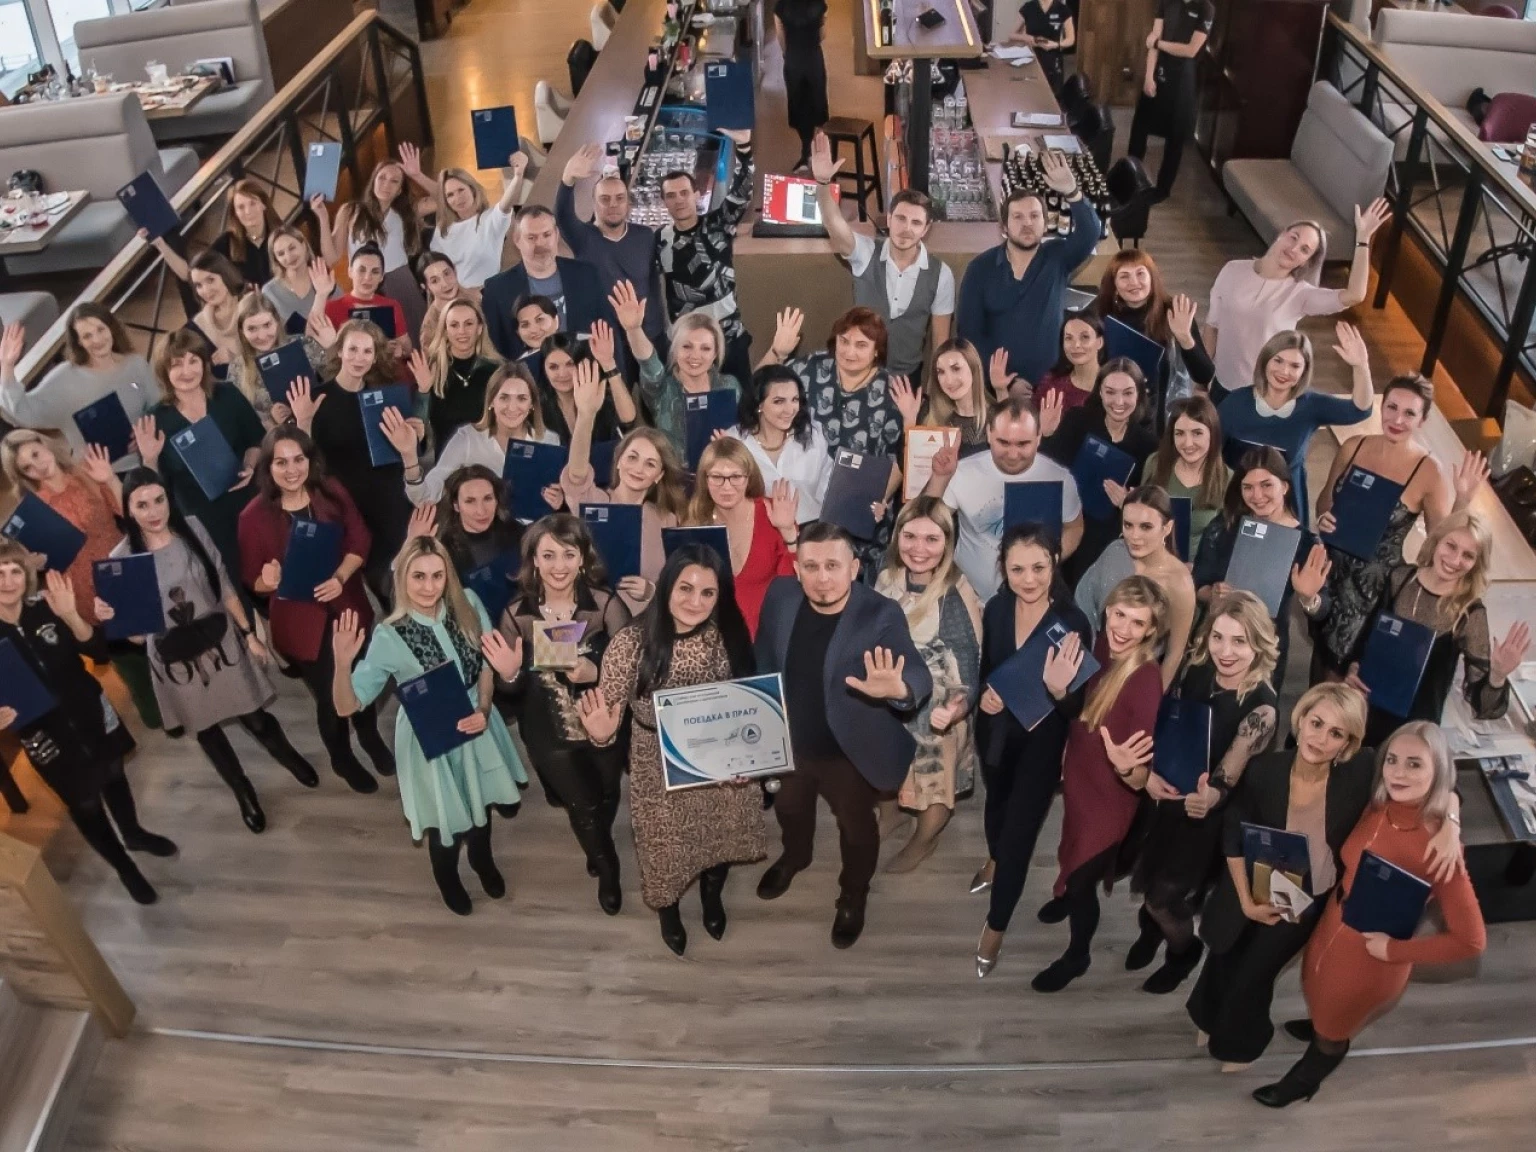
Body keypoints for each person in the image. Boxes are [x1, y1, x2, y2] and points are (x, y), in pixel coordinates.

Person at [1186, 683, 1463, 1069]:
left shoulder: (1361, 770)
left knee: (1253, 975)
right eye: (1316, 724)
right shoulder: (1265, 770)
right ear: (1301, 718)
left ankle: (1239, 1045)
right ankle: (1206, 1016)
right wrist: (1247, 901)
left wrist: (1452, 817)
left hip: (1306, 897)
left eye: (1336, 733)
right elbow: (1233, 833)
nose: (1321, 739)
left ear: (1348, 743)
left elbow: (1432, 778)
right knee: (1222, 954)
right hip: (1251, 883)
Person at [1255, 721, 1485, 1107]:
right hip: (1333, 924)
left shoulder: (1440, 849)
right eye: (1392, 760)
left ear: (1438, 771)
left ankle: (1303, 1082)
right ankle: (1321, 1023)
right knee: (1317, 989)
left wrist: (1394, 951)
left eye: (1414, 764)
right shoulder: (1380, 802)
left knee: (1334, 1028)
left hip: (1370, 958)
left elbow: (1471, 941)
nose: (1398, 772)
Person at [101, 470, 317, 834]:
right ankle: (243, 791)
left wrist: (248, 634)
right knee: (208, 732)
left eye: (159, 500)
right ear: (128, 509)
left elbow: (224, 584)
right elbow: (139, 639)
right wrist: (115, 619)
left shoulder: (192, 528)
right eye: (142, 505)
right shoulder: (122, 560)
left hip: (220, 642)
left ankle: (288, 756)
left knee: (255, 716)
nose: (154, 511)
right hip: (175, 661)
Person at [576, 544, 765, 954]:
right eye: (685, 588)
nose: (695, 602)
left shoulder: (728, 634)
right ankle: (670, 913)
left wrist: (749, 758)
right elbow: (608, 715)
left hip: (718, 755)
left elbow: (745, 703)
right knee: (664, 846)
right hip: (655, 759)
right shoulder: (629, 644)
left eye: (708, 592)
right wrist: (602, 734)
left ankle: (712, 898)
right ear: (665, 587)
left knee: (720, 833)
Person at [753, 521, 934, 948]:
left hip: (849, 750)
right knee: (790, 810)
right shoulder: (780, 596)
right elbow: (763, 659)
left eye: (833, 566)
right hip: (791, 743)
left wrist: (900, 689)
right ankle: (796, 856)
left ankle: (853, 893)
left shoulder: (880, 613)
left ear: (854, 568)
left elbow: (916, 672)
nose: (822, 578)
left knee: (857, 830)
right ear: (797, 568)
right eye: (811, 566)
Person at [332, 536, 529, 915]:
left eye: (437, 576)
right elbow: (348, 706)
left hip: (477, 721)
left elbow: (486, 665)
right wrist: (342, 665)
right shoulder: (389, 635)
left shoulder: (468, 603)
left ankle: (482, 860)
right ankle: (448, 878)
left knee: (481, 804)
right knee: (446, 823)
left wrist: (484, 707)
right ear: (403, 578)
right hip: (430, 737)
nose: (428, 586)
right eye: (418, 576)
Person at [0, 550, 175, 904]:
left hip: (90, 711)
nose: (8, 582)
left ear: (26, 574)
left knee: (114, 774)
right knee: (85, 804)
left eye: (14, 571)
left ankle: (133, 833)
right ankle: (125, 867)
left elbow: (98, 651)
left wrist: (71, 615)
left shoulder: (47, 605)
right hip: (44, 734)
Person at [1129, 591, 1278, 994]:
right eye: (1218, 637)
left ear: (1259, 644)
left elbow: (1229, 771)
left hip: (1210, 817)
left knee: (1164, 897)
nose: (1225, 652)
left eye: (1239, 641)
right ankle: (1151, 931)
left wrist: (1209, 795)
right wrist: (1151, 772)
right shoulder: (1198, 669)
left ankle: (1183, 952)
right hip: (1171, 792)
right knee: (1150, 874)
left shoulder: (1262, 708)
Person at [237, 427, 393, 794]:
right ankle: (341, 756)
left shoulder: (331, 491)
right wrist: (267, 581)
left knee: (363, 675)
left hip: (346, 603)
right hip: (300, 621)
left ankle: (368, 734)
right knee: (329, 694)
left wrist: (340, 577)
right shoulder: (252, 517)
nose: (291, 470)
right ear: (267, 467)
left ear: (311, 460)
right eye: (281, 462)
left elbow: (360, 539)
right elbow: (251, 579)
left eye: (298, 460)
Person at [1033, 575, 1166, 992]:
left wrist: (1127, 768)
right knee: (1070, 843)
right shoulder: (1103, 644)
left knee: (1082, 880)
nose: (1124, 628)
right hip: (1080, 774)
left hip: (1111, 794)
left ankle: (1078, 955)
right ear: (1107, 609)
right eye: (1119, 614)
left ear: (1151, 631)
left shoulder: (1146, 680)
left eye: (1138, 623)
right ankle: (1064, 891)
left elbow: (1139, 770)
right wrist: (1058, 691)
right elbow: (1080, 711)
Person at [972, 524, 1095, 976]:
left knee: (1019, 838)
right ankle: (993, 858)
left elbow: (1076, 707)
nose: (1029, 579)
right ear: (1003, 569)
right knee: (995, 810)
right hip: (995, 732)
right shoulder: (996, 609)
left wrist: (1059, 690)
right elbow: (987, 671)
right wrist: (985, 696)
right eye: (1017, 569)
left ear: (1054, 563)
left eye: (1039, 568)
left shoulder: (1074, 623)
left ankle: (996, 925)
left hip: (1042, 745)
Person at [495, 514, 632, 914]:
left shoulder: (605, 604)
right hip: (547, 727)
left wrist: (596, 670)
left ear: (583, 558)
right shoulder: (517, 613)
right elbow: (511, 691)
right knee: (582, 806)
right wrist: (509, 675)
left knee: (607, 792)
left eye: (568, 554)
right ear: (534, 560)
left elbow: (631, 668)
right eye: (548, 555)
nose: (559, 566)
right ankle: (607, 866)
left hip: (602, 717)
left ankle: (599, 841)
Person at [1312, 373, 1481, 682]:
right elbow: (1325, 501)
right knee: (1320, 660)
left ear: (1422, 420)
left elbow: (1441, 542)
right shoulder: (1353, 447)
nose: (1397, 420)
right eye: (1392, 407)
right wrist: (1324, 517)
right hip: (1331, 575)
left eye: (1409, 413)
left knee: (1339, 677)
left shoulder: (1428, 472)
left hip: (1372, 592)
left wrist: (1463, 500)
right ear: (1382, 406)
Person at [1335, 510, 1528, 748]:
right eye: (1451, 546)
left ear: (1476, 563)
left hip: (1414, 733)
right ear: (1437, 540)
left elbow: (1484, 707)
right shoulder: (1399, 578)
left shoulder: (1470, 614)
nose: (1455, 560)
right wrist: (1353, 668)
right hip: (1365, 713)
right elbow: (1364, 640)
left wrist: (1497, 675)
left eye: (1468, 555)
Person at [873, 497, 983, 871]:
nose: (919, 549)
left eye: (931, 539)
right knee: (883, 767)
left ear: (947, 543)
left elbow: (968, 665)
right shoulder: (886, 576)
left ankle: (924, 839)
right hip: (889, 698)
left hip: (937, 707)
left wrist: (955, 709)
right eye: (910, 536)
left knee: (934, 784)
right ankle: (891, 816)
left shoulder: (954, 593)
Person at [760, 306, 907, 571]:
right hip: (802, 501)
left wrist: (879, 500)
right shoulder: (810, 369)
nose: (850, 351)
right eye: (844, 341)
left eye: (861, 345)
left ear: (877, 350)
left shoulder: (892, 393)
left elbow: (897, 458)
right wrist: (776, 353)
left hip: (860, 510)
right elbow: (758, 390)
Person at [288, 320, 421, 602]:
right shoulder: (317, 398)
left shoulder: (387, 395)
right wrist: (304, 422)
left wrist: (418, 432)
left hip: (389, 500)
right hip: (347, 505)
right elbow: (305, 461)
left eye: (367, 351)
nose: (359, 358)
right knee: (370, 578)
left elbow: (409, 448)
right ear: (339, 351)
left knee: (403, 574)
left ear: (375, 357)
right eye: (353, 349)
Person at [1205, 200, 1391, 390]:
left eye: (1304, 250)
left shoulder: (1300, 295)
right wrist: (1201, 382)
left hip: (1264, 392)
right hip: (1220, 383)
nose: (1293, 249)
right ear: (1282, 234)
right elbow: (1212, 326)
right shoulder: (1233, 269)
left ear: (1306, 262)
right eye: (1293, 238)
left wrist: (1363, 239)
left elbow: (1355, 295)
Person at [812, 135, 954, 382]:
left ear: (926, 229)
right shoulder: (866, 252)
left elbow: (940, 345)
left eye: (916, 222)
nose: (906, 229)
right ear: (889, 219)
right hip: (860, 373)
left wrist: (934, 395)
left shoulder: (941, 274)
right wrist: (823, 184)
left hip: (907, 381)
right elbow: (834, 225)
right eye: (900, 218)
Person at [956, 153, 1101, 387]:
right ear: (1004, 227)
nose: (1027, 223)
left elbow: (1090, 232)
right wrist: (1005, 382)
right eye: (1018, 217)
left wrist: (1072, 192)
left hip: (1052, 383)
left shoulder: (1057, 258)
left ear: (1045, 224)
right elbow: (969, 335)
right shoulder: (980, 269)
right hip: (998, 387)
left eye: (1034, 216)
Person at [132, 328, 265, 578]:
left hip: (247, 500)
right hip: (202, 519)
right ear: (164, 371)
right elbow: (153, 485)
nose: (187, 371)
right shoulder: (155, 418)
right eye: (177, 364)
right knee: (231, 580)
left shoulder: (228, 394)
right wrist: (149, 458)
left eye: (193, 361)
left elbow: (255, 439)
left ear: (204, 364)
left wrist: (249, 464)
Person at [1193, 446, 1330, 687]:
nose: (1257, 495)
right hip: (1217, 645)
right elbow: (1198, 584)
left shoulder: (1307, 544)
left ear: (1285, 486)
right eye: (1248, 487)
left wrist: (1308, 598)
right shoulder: (1225, 525)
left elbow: (1323, 610)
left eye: (1266, 485)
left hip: (1265, 652)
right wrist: (1212, 593)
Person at [561, 362, 688, 614]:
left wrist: (651, 590)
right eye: (632, 457)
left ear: (659, 476)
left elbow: (676, 584)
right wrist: (586, 415)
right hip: (589, 619)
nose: (638, 468)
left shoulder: (666, 518)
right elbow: (576, 474)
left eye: (650, 464)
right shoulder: (593, 501)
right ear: (618, 461)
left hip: (644, 623)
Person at [926, 396, 1084, 600]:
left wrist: (1048, 561)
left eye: (1023, 444)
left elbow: (1075, 527)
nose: (1013, 454)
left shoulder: (1059, 477)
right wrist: (939, 478)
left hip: (1032, 600)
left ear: (1038, 437)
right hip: (967, 597)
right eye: (1004, 442)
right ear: (989, 434)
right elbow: (929, 523)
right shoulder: (963, 471)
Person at [1219, 323, 1375, 527]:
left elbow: (1360, 410)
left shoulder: (1311, 405)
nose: (1284, 371)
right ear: (1265, 360)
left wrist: (1361, 367)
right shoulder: (1234, 403)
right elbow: (1210, 451)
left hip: (1287, 503)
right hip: (1239, 498)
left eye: (1295, 366)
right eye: (1278, 361)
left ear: (1304, 371)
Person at [1040, 357, 1160, 578]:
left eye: (1128, 393)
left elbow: (1151, 506)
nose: (1119, 401)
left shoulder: (1148, 445)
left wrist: (1129, 503)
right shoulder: (1077, 420)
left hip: (1111, 540)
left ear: (1139, 395)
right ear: (1100, 393)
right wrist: (1046, 436)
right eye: (1110, 392)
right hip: (1067, 525)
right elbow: (1048, 471)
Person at [655, 129, 756, 386]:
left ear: (696, 194)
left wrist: (744, 148)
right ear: (664, 202)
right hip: (690, 349)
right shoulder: (659, 239)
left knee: (740, 402)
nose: (679, 200)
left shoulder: (718, 224)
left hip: (730, 338)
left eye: (684, 193)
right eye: (671, 195)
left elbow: (742, 191)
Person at [0, 305, 155, 469]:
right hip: (96, 473)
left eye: (100, 329)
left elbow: (159, 405)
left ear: (111, 328)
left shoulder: (136, 364)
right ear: (78, 341)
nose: (97, 340)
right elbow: (20, 412)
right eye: (87, 336)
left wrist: (147, 431)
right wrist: (7, 366)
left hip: (149, 460)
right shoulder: (63, 378)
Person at [1074, 484, 1196, 688]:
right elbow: (1083, 607)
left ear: (1167, 528)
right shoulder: (1114, 552)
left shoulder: (1179, 582)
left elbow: (1174, 654)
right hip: (1090, 667)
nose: (1134, 536)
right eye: (1128, 525)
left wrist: (1153, 697)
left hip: (1135, 682)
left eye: (1145, 527)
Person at [400, 363, 559, 507]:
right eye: (504, 398)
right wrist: (409, 455)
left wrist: (559, 498)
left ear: (532, 404)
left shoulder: (549, 441)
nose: (512, 407)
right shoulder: (467, 439)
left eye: (522, 399)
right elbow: (424, 497)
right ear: (491, 401)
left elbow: (555, 498)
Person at [612, 280, 740, 460]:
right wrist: (634, 329)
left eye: (705, 348)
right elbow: (649, 362)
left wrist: (730, 445)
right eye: (687, 346)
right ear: (675, 349)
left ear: (715, 354)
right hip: (673, 474)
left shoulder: (729, 386)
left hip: (719, 471)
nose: (695, 356)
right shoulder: (662, 388)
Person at [556, 143, 667, 347]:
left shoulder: (644, 236)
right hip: (608, 341)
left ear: (628, 203)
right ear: (594, 204)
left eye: (619, 198)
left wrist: (659, 329)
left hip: (649, 336)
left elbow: (654, 285)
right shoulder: (583, 237)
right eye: (605, 199)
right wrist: (568, 179)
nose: (613, 204)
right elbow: (563, 216)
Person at [686, 438, 799, 636]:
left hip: (771, 633)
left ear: (748, 478)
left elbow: (791, 586)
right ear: (705, 480)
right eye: (717, 477)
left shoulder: (773, 513)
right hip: (714, 636)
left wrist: (788, 532)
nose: (726, 486)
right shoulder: (694, 524)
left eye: (736, 476)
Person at [482, 206, 619, 361]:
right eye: (531, 238)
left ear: (557, 235)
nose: (540, 243)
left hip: (585, 371)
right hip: (528, 374)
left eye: (546, 235)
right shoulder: (497, 290)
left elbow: (609, 332)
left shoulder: (587, 275)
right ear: (517, 240)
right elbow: (495, 352)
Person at [1091, 249, 1214, 422]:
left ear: (1152, 278)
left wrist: (1185, 337)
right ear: (1115, 285)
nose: (1134, 282)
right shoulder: (1103, 314)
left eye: (1140, 273)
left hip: (1160, 416)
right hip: (1114, 408)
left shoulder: (1175, 313)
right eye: (1124, 276)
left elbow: (1204, 376)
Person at [317, 152, 429, 338]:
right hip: (365, 283)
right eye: (382, 178)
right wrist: (322, 216)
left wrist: (418, 176)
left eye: (394, 181)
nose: (386, 184)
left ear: (400, 190)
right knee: (371, 341)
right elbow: (331, 257)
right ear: (373, 180)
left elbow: (442, 200)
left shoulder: (406, 212)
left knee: (415, 339)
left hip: (400, 282)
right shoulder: (351, 211)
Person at [1127, 0, 1213, 200]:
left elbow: (1191, 50)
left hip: (1182, 76)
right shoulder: (1166, 2)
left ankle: (1162, 190)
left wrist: (1158, 43)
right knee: (1139, 126)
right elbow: (1153, 40)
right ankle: (1130, 176)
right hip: (1159, 69)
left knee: (1175, 137)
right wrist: (1149, 76)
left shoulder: (1206, 8)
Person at [726, 365, 833, 523]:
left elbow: (829, 491)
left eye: (794, 400)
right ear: (759, 404)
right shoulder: (734, 441)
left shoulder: (813, 436)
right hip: (756, 530)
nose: (789, 410)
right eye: (779, 401)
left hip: (810, 529)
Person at [405, 295, 501, 450]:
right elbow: (417, 440)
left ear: (479, 328)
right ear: (445, 330)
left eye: (468, 324)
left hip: (489, 459)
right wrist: (423, 391)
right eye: (454, 325)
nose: (462, 331)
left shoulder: (497, 371)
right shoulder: (430, 371)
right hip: (447, 461)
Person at [1140, 393, 1229, 555]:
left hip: (1201, 568)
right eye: (1180, 433)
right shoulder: (1155, 463)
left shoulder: (1228, 478)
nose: (1188, 443)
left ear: (1213, 434)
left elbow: (1229, 542)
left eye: (1197, 433)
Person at [149, 178, 282, 287]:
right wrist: (161, 245)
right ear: (235, 213)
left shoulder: (282, 234)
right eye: (241, 207)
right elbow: (190, 274)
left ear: (263, 204)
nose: (248, 211)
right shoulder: (227, 242)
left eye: (252, 203)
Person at [229, 292, 334, 428]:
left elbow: (336, 381)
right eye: (252, 329)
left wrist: (332, 347)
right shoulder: (237, 369)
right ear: (241, 331)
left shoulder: (302, 346)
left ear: (277, 322)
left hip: (318, 424)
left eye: (267, 325)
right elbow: (240, 421)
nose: (262, 336)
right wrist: (270, 420)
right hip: (273, 437)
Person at [424, 155, 527, 290]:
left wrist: (518, 176)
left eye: (461, 190)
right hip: (455, 296)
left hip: (487, 292)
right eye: (450, 195)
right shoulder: (442, 230)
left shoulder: (490, 219)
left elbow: (506, 203)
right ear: (446, 201)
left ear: (472, 190)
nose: (458, 198)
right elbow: (436, 271)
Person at [891, 338, 993, 458]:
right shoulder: (928, 413)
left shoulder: (997, 416)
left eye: (956, 369)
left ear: (974, 368)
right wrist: (909, 422)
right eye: (941, 372)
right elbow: (908, 466)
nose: (949, 380)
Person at [536, 328, 638, 445]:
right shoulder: (537, 405)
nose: (562, 374)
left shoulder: (599, 394)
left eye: (570, 364)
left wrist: (608, 364)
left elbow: (628, 418)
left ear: (582, 364)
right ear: (544, 370)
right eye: (553, 367)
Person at [320, 245, 412, 365]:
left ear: (381, 277)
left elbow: (407, 348)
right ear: (350, 271)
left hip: (386, 370)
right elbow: (323, 355)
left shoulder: (392, 305)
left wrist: (399, 349)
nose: (368, 277)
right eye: (362, 270)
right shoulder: (331, 308)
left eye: (375, 272)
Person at [775, 0, 829, 170]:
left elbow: (780, 34)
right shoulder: (819, 4)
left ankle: (806, 151)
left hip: (793, 58)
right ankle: (816, 153)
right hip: (813, 58)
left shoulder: (781, 5)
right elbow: (823, 34)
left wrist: (787, 53)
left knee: (798, 104)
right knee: (816, 102)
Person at [1030, 309, 1105, 413]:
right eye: (1069, 338)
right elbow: (1030, 419)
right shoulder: (1051, 382)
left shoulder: (1114, 386)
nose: (1076, 345)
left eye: (1085, 337)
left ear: (1100, 342)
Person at [184, 252, 249, 371]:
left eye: (210, 280)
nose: (206, 290)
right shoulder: (196, 328)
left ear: (226, 275)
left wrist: (235, 360)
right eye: (198, 285)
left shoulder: (253, 307)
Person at [261, 227, 332, 331]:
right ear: (276, 259)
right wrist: (321, 296)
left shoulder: (323, 278)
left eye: (292, 248)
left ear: (303, 245)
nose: (289, 257)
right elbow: (300, 330)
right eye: (281, 254)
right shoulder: (270, 292)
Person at [1007, 0, 1075, 92]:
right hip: (1031, 58)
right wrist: (1027, 38)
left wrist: (1056, 44)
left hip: (1053, 59)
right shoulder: (1028, 7)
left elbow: (1070, 40)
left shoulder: (1063, 9)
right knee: (1031, 92)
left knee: (1053, 93)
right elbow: (1011, 35)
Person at [418, 252, 479, 350]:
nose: (445, 284)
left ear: (454, 270)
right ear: (425, 287)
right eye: (435, 281)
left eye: (446, 273)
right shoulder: (429, 327)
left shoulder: (479, 297)